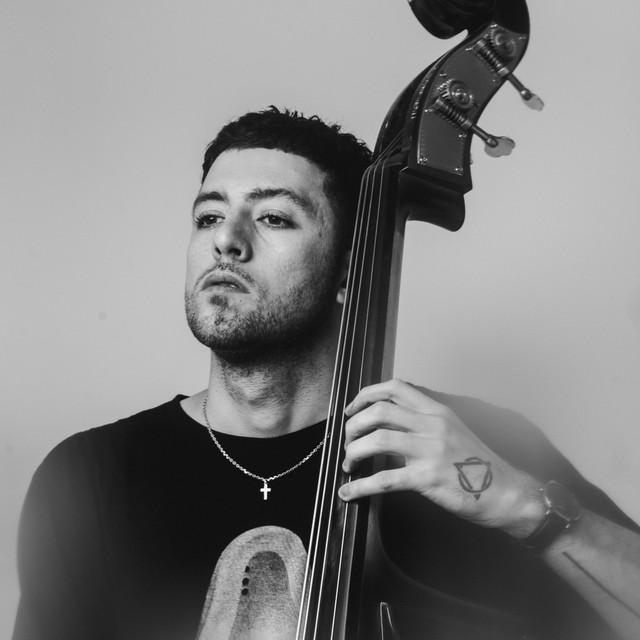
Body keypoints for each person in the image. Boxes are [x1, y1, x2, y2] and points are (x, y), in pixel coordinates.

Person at [13, 108, 640, 640]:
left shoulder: (466, 445)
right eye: (208, 216)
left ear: (349, 270)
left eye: (274, 217)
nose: (227, 240)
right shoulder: (88, 478)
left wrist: (518, 503)